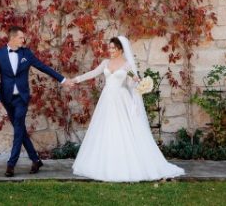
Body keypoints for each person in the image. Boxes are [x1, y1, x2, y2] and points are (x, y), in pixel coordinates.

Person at [70, 36, 184, 182]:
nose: (110, 50)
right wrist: (76, 79)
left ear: (120, 50)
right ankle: (104, 164)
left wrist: (137, 82)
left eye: (113, 48)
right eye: (109, 47)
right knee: (106, 129)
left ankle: (125, 165)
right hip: (106, 100)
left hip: (121, 99)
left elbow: (130, 84)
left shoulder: (127, 65)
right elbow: (92, 73)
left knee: (121, 129)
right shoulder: (106, 62)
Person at [0, 25, 75, 177]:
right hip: (7, 98)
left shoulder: (26, 53)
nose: (24, 39)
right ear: (12, 38)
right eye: (21, 37)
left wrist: (63, 80)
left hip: (22, 99)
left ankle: (11, 164)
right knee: (21, 129)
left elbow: (43, 67)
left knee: (18, 129)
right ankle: (36, 160)